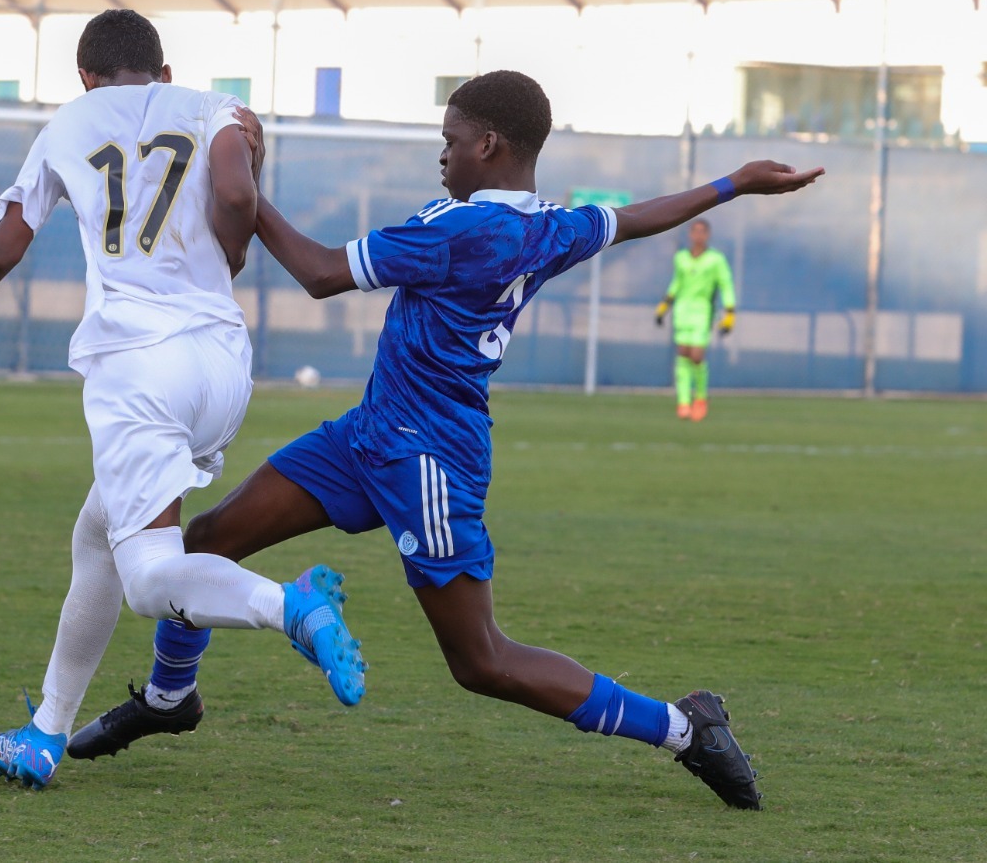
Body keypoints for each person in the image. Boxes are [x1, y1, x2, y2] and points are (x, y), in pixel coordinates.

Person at [70, 69, 822, 809]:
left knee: (481, 660)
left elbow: (322, 273)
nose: (442, 154)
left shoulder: (460, 227)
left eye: (450, 140)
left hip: (426, 459)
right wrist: (733, 183)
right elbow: (633, 219)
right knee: (207, 540)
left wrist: (240, 191)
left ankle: (685, 728)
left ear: (489, 144)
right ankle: (172, 699)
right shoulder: (549, 225)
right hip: (368, 435)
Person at [0, 9, 365, 790]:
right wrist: (234, 251)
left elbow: (9, 241)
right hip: (222, 364)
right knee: (98, 532)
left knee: (149, 576)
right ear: (165, 71)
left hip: (139, 366)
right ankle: (46, 732)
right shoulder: (215, 107)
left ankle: (293, 604)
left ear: (85, 76)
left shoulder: (68, 123)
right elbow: (239, 195)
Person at [654, 218, 736, 421]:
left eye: (702, 232)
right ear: (690, 235)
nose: (698, 235)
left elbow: (726, 285)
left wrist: (729, 314)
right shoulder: (681, 258)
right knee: (682, 353)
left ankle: (700, 397)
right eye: (695, 231)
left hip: (702, 311)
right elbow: (677, 283)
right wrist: (664, 306)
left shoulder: (716, 260)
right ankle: (683, 401)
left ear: (707, 235)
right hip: (682, 309)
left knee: (697, 355)